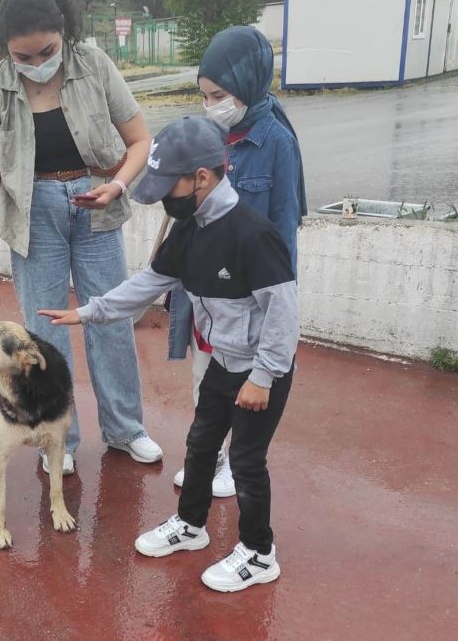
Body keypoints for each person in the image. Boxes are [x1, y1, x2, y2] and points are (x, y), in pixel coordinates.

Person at [40, 116, 299, 592]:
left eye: (167, 186)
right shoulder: (190, 228)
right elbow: (148, 284)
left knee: (245, 460)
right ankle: (191, 526)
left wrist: (263, 377)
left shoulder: (252, 234)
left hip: (261, 372)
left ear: (201, 177)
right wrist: (90, 311)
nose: (163, 198)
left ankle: (260, 553)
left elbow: (282, 313)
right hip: (223, 361)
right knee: (200, 445)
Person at [0, 0, 162, 475]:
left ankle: (125, 429)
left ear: (63, 32)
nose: (37, 64)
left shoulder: (93, 65)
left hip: (94, 205)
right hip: (32, 216)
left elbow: (141, 140)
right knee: (46, 335)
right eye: (22, 57)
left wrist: (117, 185)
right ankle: (62, 437)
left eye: (46, 51)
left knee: (111, 320)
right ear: (5, 49)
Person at [169, 26, 307, 498]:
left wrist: (274, 301)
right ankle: (212, 456)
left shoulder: (276, 142)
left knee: (244, 384)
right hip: (207, 289)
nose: (211, 105)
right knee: (205, 378)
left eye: (219, 95)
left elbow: (283, 229)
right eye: (204, 96)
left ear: (248, 84)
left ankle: (235, 459)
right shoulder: (210, 133)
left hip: (248, 293)